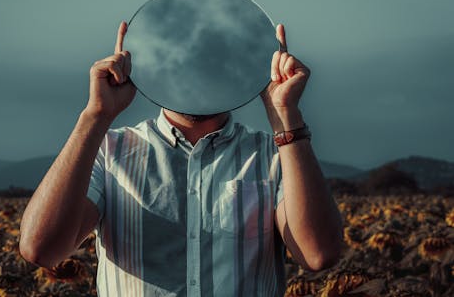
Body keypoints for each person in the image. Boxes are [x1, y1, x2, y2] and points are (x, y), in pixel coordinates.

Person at [20, 21, 343, 296]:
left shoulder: (274, 155)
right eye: (184, 59)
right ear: (157, 66)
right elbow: (41, 249)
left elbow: (318, 254)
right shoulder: (108, 152)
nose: (197, 73)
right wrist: (95, 116)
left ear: (235, 69)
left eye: (211, 60)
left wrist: (285, 116)